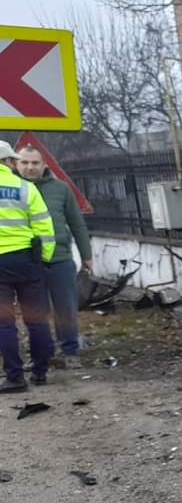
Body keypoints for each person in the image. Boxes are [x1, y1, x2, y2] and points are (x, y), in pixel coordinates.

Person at [17, 145, 92, 368]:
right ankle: (40, 354)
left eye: (35, 163)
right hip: (27, 261)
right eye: (25, 163)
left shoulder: (60, 189)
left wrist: (87, 256)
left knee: (65, 308)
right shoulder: (11, 189)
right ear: (16, 164)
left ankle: (70, 351)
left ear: (44, 165)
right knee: (33, 312)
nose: (30, 167)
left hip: (60, 260)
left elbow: (77, 224)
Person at [0, 141, 56, 392]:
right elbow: (45, 227)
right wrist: (43, 258)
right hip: (26, 260)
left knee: (4, 322)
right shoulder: (26, 189)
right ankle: (40, 372)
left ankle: (14, 377)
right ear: (9, 162)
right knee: (36, 318)